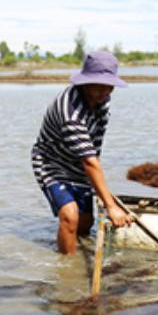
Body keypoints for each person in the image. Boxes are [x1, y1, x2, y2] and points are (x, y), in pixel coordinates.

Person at [31, 50, 134, 254]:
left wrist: (100, 189)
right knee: (70, 216)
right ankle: (68, 271)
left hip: (80, 163)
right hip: (52, 163)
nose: (103, 91)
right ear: (85, 82)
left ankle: (78, 252)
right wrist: (111, 206)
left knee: (86, 223)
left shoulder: (103, 99)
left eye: (108, 86)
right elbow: (89, 162)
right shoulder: (70, 112)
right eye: (97, 85)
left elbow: (95, 145)